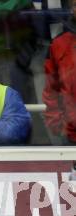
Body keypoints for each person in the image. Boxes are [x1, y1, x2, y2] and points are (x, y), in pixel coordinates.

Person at [42, 0, 76, 145]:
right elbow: (51, 91)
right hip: (72, 136)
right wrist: (59, 126)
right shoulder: (59, 44)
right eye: (75, 4)